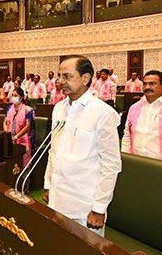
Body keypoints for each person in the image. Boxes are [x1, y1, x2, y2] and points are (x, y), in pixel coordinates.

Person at [43, 55, 121, 237]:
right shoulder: (59, 108)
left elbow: (111, 165)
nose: (60, 81)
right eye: (59, 76)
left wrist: (99, 208)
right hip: (57, 197)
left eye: (67, 76)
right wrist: (48, 185)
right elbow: (53, 151)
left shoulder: (103, 113)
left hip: (84, 204)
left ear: (85, 78)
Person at [4, 88, 35, 167]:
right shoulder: (9, 108)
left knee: (23, 165)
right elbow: (5, 122)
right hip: (10, 140)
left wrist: (16, 136)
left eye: (16, 95)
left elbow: (28, 126)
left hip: (22, 140)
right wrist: (7, 134)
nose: (13, 97)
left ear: (21, 97)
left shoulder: (28, 110)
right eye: (12, 95)